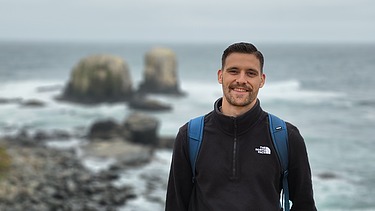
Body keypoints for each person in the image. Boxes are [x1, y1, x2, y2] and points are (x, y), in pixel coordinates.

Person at [165, 42, 317, 211]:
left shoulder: (286, 137)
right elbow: (175, 206)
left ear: (262, 80)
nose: (241, 80)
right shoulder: (190, 135)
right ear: (220, 76)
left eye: (251, 73)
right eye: (234, 71)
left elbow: (305, 206)